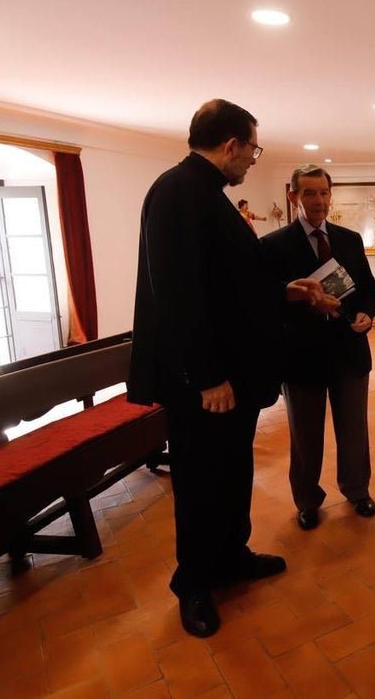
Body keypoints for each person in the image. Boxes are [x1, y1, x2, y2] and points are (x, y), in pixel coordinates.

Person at [128, 99, 329, 639]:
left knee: (232, 470)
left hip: (232, 377)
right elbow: (178, 296)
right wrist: (208, 374)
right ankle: (193, 583)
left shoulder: (207, 195)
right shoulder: (176, 193)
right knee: (198, 480)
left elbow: (227, 284)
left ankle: (231, 556)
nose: (253, 161)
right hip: (205, 382)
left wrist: (282, 291)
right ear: (231, 144)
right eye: (252, 149)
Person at [261, 164, 375, 531]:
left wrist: (366, 314)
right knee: (305, 435)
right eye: (309, 193)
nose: (318, 201)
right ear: (294, 196)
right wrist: (307, 302)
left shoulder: (349, 239)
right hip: (301, 357)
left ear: (332, 196)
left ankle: (357, 490)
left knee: (354, 430)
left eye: (324, 193)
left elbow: (368, 290)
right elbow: (264, 301)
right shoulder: (273, 245)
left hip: (349, 352)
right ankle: (307, 500)